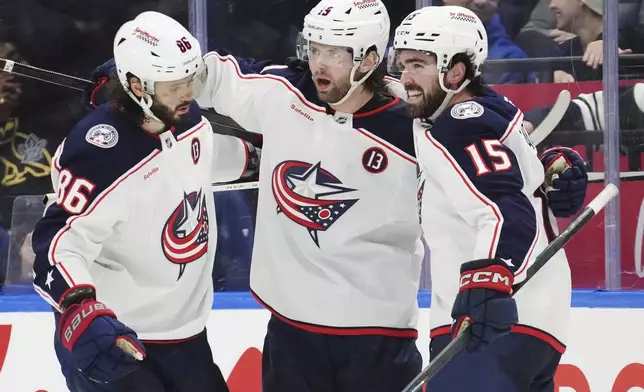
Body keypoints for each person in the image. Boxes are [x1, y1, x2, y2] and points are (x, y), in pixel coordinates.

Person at [30, 11, 258, 392]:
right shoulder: (98, 153)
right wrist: (80, 307)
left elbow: (206, 156)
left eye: (190, 80)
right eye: (174, 85)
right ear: (136, 85)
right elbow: (58, 243)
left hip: (185, 335)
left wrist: (264, 159)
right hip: (118, 340)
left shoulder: (187, 118)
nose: (188, 93)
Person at [388, 5, 584, 391]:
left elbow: (505, 211)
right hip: (533, 323)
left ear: (456, 71)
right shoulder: (487, 109)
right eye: (402, 64)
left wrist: (489, 281)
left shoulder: (459, 123)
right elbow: (519, 189)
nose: (405, 77)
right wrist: (549, 170)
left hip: (488, 323)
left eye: (417, 65)